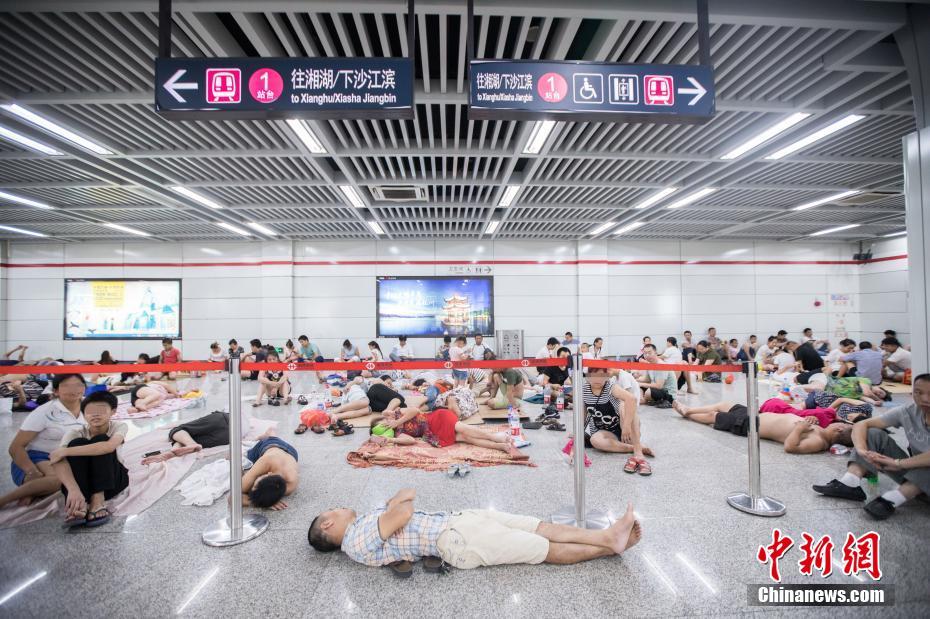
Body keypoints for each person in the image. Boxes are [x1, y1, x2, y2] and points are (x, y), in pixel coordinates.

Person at [307, 488, 642, 569]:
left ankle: (607, 537)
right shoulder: (355, 538)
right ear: (328, 523)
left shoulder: (367, 523)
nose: (340, 507)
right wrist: (391, 508)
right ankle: (607, 547)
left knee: (538, 527)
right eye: (333, 510)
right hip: (456, 540)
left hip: (457, 521)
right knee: (541, 549)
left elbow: (406, 495)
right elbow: (404, 509)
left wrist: (390, 508)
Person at [812, 374, 930, 519]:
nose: (924, 398)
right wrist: (863, 451)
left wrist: (898, 463)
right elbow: (862, 424)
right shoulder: (909, 411)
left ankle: (892, 499)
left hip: (918, 472)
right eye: (919, 392)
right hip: (915, 476)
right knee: (872, 433)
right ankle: (850, 482)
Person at [0, 374, 87, 509]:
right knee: (59, 481)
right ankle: (4, 500)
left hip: (64, 456)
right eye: (66, 386)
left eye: (78, 385)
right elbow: (15, 447)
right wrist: (32, 471)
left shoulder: (88, 407)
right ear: (56, 391)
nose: (73, 389)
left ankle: (32, 491)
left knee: (70, 479)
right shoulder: (45, 412)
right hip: (35, 456)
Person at [51, 391, 128, 527]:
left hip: (112, 481)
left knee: (101, 440)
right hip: (83, 486)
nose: (95, 414)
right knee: (77, 442)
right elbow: (57, 460)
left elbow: (108, 447)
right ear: (83, 414)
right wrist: (73, 490)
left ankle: (98, 499)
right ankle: (80, 502)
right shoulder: (74, 433)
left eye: (101, 410)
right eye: (90, 411)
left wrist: (65, 451)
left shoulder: (118, 426)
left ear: (113, 411)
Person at [672, 400, 852, 454]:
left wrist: (800, 428)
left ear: (838, 430)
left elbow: (790, 446)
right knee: (725, 404)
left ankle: (688, 414)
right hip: (758, 415)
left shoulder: (819, 441)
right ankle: (689, 410)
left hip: (752, 425)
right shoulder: (820, 430)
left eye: (840, 424)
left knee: (714, 417)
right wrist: (809, 420)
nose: (837, 422)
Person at [583, 366, 652, 474]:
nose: (597, 379)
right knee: (595, 441)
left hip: (625, 428)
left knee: (625, 406)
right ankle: (633, 447)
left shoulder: (610, 386)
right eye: (593, 375)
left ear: (607, 377)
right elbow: (583, 413)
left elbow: (632, 399)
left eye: (601, 375)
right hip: (605, 431)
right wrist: (577, 433)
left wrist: (626, 426)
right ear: (588, 377)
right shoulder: (584, 390)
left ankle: (638, 451)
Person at [377, 406, 523, 455]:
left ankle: (494, 437)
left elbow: (415, 410)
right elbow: (410, 441)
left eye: (385, 422)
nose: (386, 423)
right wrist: (390, 439)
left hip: (436, 418)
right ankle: (500, 446)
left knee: (463, 428)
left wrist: (395, 419)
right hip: (432, 434)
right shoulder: (398, 433)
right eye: (383, 424)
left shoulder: (397, 414)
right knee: (466, 438)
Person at [242, 430, 298, 510]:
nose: (252, 487)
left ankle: (270, 434)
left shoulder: (290, 484)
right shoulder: (265, 462)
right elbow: (232, 498)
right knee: (269, 437)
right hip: (271, 447)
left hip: (288, 451)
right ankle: (269, 433)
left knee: (271, 438)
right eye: (254, 484)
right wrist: (260, 503)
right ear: (269, 474)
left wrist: (264, 502)